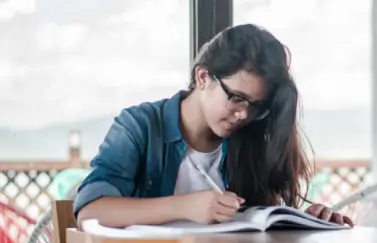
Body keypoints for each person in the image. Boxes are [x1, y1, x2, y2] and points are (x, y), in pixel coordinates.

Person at [75, 24, 353, 229]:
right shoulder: (140, 126)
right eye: (237, 98)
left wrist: (309, 221)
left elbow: (262, 225)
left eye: (256, 106)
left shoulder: (249, 137)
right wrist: (186, 206)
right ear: (204, 76)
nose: (244, 114)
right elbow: (91, 211)